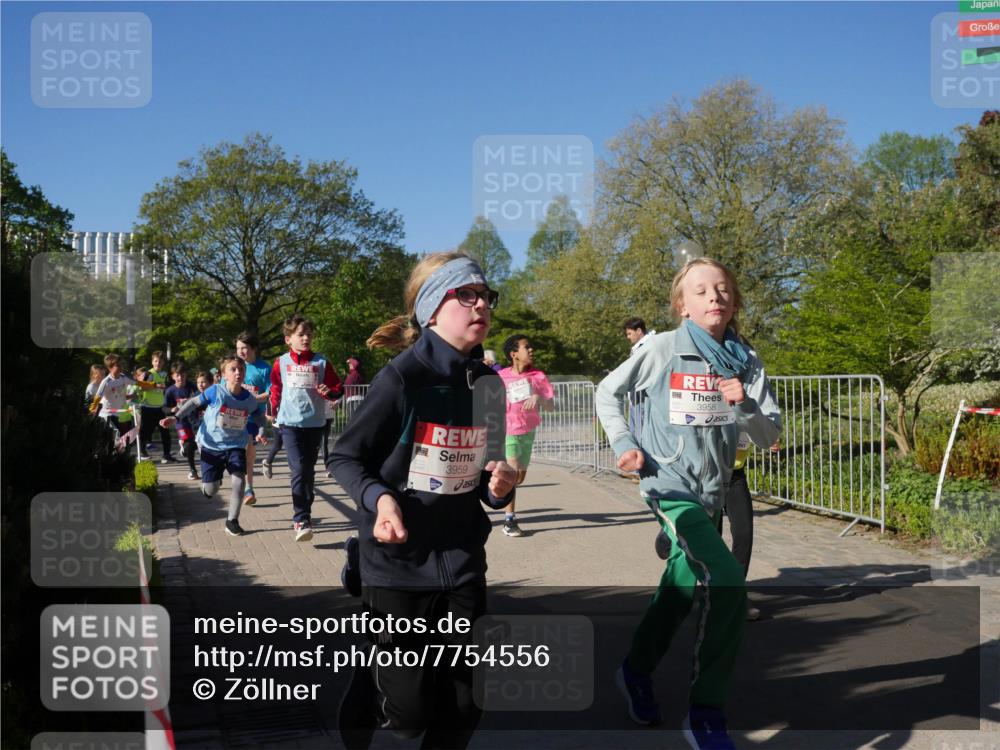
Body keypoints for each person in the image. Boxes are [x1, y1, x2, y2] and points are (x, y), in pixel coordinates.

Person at [328, 251, 516, 750]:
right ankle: (371, 680)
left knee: (463, 704)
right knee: (408, 717)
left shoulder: (489, 384)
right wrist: (380, 500)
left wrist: (499, 487)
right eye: (466, 295)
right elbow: (345, 458)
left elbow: (486, 476)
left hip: (461, 558)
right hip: (396, 563)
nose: (481, 306)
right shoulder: (401, 378)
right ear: (433, 309)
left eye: (486, 296)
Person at [596, 258, 781, 749]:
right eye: (700, 291)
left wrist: (745, 404)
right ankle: (705, 713)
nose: (713, 297)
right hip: (668, 485)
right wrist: (622, 445)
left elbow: (770, 435)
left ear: (735, 300)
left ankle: (634, 671)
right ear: (682, 305)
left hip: (713, 491)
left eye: (722, 289)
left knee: (680, 585)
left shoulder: (747, 360)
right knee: (726, 584)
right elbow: (605, 393)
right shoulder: (660, 349)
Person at [161, 354, 266, 537]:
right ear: (224, 374)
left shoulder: (249, 399)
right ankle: (211, 483)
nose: (238, 372)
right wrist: (176, 417)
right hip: (211, 445)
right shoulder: (215, 391)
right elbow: (194, 402)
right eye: (233, 369)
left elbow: (258, 416)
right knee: (211, 490)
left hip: (235, 445)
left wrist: (262, 430)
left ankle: (232, 521)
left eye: (241, 369)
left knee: (239, 479)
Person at [268, 314, 343, 542]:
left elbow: (338, 388)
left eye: (309, 334)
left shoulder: (321, 362)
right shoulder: (281, 362)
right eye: (300, 335)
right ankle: (300, 518)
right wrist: (272, 410)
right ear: (288, 339)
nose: (306, 338)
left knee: (308, 472)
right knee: (299, 470)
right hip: (289, 424)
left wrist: (328, 392)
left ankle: (305, 515)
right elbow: (275, 388)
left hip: (314, 424)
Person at [496, 335, 555, 537]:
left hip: (528, 431)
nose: (531, 350)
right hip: (508, 431)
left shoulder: (538, 376)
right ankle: (509, 520)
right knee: (512, 475)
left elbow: (551, 406)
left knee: (519, 478)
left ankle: (498, 488)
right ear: (514, 354)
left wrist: (538, 397)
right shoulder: (501, 376)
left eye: (531, 347)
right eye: (526, 347)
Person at [236, 332, 272, 506]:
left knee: (248, 453)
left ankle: (248, 489)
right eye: (238, 348)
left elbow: (270, 393)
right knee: (237, 454)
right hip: (233, 416)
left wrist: (252, 399)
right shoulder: (234, 366)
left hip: (253, 417)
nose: (241, 352)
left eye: (244, 348)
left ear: (254, 348)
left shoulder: (264, 368)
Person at [163, 363, 201, 480]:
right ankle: (192, 470)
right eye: (177, 375)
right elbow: (164, 408)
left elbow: (200, 399)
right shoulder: (170, 391)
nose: (180, 378)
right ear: (173, 376)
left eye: (183, 375)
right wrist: (171, 409)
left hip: (194, 420)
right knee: (189, 444)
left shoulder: (192, 386)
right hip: (180, 422)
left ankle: (184, 449)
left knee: (196, 444)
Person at [90, 354, 135, 445]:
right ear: (110, 368)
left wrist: (153, 385)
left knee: (118, 437)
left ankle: (114, 454)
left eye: (121, 364)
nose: (121, 367)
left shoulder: (123, 378)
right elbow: (97, 398)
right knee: (116, 434)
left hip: (117, 414)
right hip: (106, 414)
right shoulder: (106, 382)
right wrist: (92, 411)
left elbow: (138, 383)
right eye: (118, 365)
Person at [139, 351, 174, 463]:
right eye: (155, 361)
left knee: (165, 432)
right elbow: (141, 387)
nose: (158, 363)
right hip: (147, 407)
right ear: (152, 362)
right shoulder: (148, 374)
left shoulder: (164, 374)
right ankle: (142, 453)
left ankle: (167, 455)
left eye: (160, 361)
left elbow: (167, 387)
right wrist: (155, 385)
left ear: (163, 362)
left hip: (159, 408)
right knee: (145, 432)